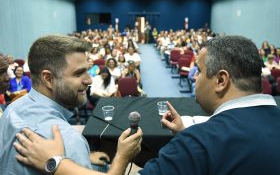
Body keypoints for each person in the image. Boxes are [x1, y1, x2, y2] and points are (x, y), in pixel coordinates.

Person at [14, 35, 280, 174]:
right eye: (78, 73)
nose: (195, 78)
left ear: (221, 80)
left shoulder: (198, 144)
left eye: (198, 71)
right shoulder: (199, 141)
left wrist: (56, 163)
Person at [0, 35, 142, 175]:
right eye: (79, 73)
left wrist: (83, 156)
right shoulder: (69, 141)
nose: (89, 80)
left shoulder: (10, 111)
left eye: (87, 70)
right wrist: (122, 157)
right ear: (48, 78)